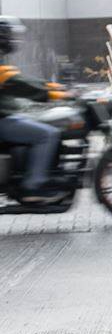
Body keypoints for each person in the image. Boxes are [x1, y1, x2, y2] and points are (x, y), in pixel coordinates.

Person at [0, 16, 70, 203]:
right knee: (48, 134)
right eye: (9, 36)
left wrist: (52, 87)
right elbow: (18, 84)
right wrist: (54, 94)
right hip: (2, 120)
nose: (12, 40)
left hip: (6, 116)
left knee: (40, 124)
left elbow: (18, 80)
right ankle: (33, 185)